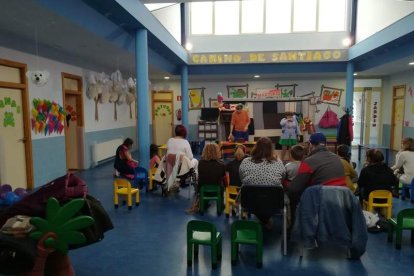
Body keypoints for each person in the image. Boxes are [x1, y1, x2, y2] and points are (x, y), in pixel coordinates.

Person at [287, 132, 346, 217]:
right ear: (325, 144)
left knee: (293, 195)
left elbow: (294, 188)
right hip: (342, 199)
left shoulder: (309, 161)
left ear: (311, 145)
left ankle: (294, 226)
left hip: (323, 200)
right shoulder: (337, 158)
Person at [239, 137, 286, 228]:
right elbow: (282, 178)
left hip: (249, 202)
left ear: (256, 147)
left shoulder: (245, 162)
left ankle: (263, 220)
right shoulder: (278, 162)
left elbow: (242, 178)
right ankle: (266, 220)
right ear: (270, 149)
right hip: (273, 202)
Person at [186, 143, 225, 214]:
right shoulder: (221, 164)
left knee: (206, 181)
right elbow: (222, 176)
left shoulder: (200, 163)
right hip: (217, 190)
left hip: (202, 189)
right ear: (217, 151)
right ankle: (221, 206)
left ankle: (204, 204)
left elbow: (202, 176)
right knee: (222, 184)